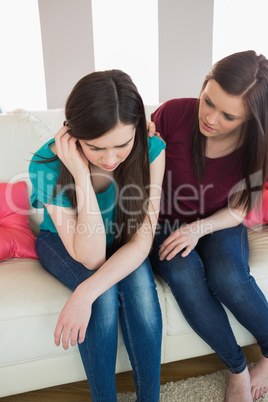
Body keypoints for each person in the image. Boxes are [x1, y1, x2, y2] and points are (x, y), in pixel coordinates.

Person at [29, 69, 165, 402]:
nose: (110, 159)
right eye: (95, 148)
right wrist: (79, 172)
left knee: (143, 298)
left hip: (122, 239)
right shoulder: (45, 164)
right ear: (73, 135)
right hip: (65, 242)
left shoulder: (152, 149)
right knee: (103, 300)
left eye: (122, 144)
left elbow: (143, 239)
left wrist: (84, 291)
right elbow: (90, 257)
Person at [148, 50, 268, 402]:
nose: (211, 118)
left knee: (229, 276)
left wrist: (199, 228)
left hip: (219, 219)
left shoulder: (258, 147)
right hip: (164, 221)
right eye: (208, 101)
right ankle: (237, 369)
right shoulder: (172, 114)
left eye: (229, 116)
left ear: (251, 119)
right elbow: (139, 176)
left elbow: (239, 208)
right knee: (184, 274)